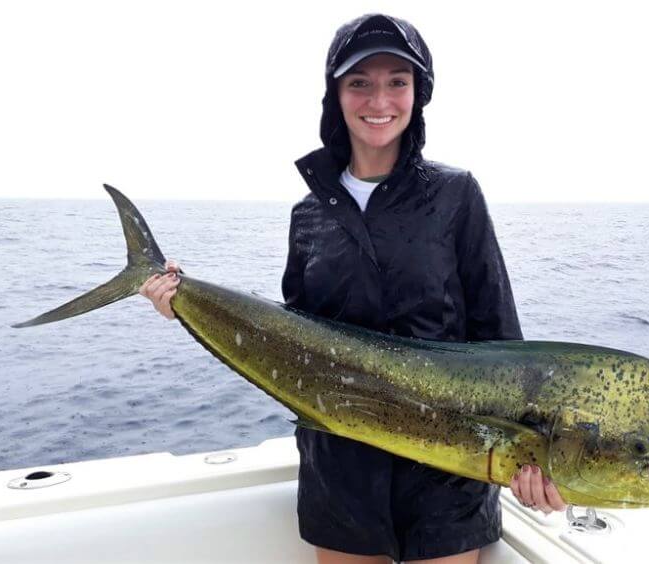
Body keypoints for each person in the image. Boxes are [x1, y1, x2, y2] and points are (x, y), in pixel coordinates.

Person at [140, 13, 565, 564]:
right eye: (359, 82)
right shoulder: (309, 214)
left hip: (447, 484)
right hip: (339, 478)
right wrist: (187, 307)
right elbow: (291, 343)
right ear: (335, 96)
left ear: (419, 93)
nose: (378, 99)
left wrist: (534, 459)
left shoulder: (457, 195)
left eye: (397, 81)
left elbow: (503, 344)